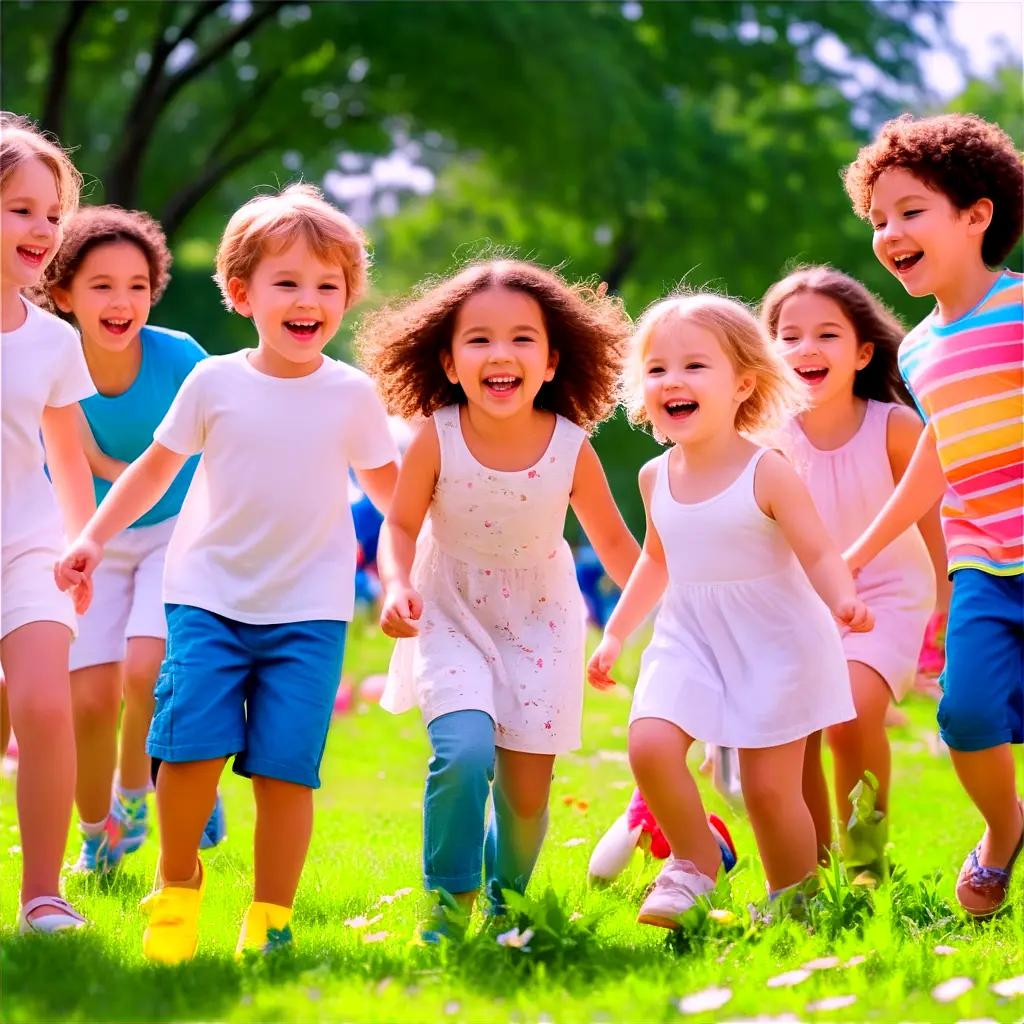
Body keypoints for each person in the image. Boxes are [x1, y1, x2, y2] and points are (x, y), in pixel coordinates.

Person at [56, 183, 399, 961]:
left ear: (346, 296)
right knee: (187, 752)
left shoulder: (352, 395)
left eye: (327, 286)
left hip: (310, 611)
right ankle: (176, 890)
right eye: (288, 283)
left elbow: (392, 503)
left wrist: (417, 567)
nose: (308, 300)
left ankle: (270, 918)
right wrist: (92, 538)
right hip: (207, 597)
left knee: (286, 774)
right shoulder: (214, 382)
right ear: (243, 293)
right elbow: (150, 471)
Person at [358, 259, 640, 933]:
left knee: (523, 796)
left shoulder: (572, 448)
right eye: (478, 339)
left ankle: (506, 904)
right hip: (448, 609)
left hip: (541, 622)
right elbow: (398, 524)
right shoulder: (438, 435)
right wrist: (396, 584)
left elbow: (621, 550)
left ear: (551, 362)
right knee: (462, 751)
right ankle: (449, 903)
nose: (500, 353)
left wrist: (681, 608)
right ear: (449, 363)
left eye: (521, 338)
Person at [588, 292, 871, 928]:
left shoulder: (767, 472)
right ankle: (693, 863)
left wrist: (844, 601)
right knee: (650, 743)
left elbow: (820, 553)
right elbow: (656, 561)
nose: (673, 381)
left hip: (776, 644)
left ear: (743, 383)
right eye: (658, 369)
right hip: (689, 635)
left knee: (771, 791)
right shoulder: (655, 476)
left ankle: (795, 905)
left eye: (695, 366)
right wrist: (615, 632)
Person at [843, 113, 1023, 917]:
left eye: (910, 211)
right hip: (983, 559)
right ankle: (1001, 829)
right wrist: (856, 551)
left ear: (977, 214)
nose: (890, 233)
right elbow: (935, 458)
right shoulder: (915, 349)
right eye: (879, 220)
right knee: (967, 712)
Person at [39, 204, 225, 873]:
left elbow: (223, 438)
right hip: (86, 539)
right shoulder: (51, 362)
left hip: (173, 533)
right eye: (101, 286)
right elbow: (90, 465)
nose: (123, 302)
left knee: (146, 670)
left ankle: (138, 796)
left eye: (138, 286)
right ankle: (97, 837)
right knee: (89, 701)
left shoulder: (180, 359)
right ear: (63, 295)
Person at [761, 265, 945, 877]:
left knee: (853, 710)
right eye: (788, 335)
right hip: (799, 602)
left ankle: (866, 860)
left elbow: (934, 519)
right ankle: (811, 871)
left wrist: (951, 601)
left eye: (827, 334)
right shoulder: (762, 438)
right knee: (800, 731)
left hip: (888, 596)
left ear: (864, 351)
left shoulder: (895, 427)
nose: (806, 348)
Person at [1, 111, 94, 933]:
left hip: (29, 545)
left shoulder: (53, 343)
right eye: (21, 207)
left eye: (52, 212)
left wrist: (82, 546)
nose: (42, 227)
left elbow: (67, 455)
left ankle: (43, 894)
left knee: (43, 703)